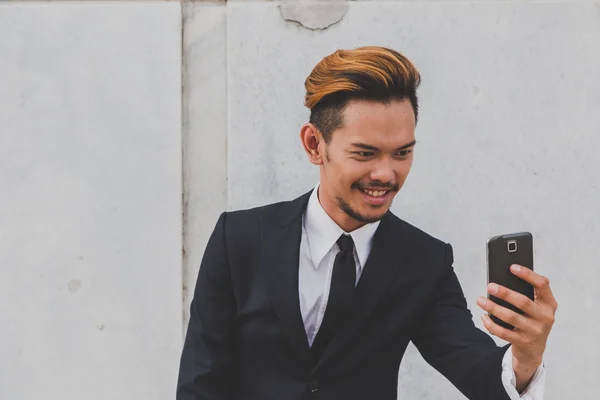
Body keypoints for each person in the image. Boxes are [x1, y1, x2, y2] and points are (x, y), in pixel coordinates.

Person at [176, 46, 557, 400]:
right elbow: (200, 380)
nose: (386, 174)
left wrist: (527, 354)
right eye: (364, 153)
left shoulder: (424, 260)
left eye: (402, 153)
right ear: (314, 145)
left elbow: (480, 374)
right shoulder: (239, 238)